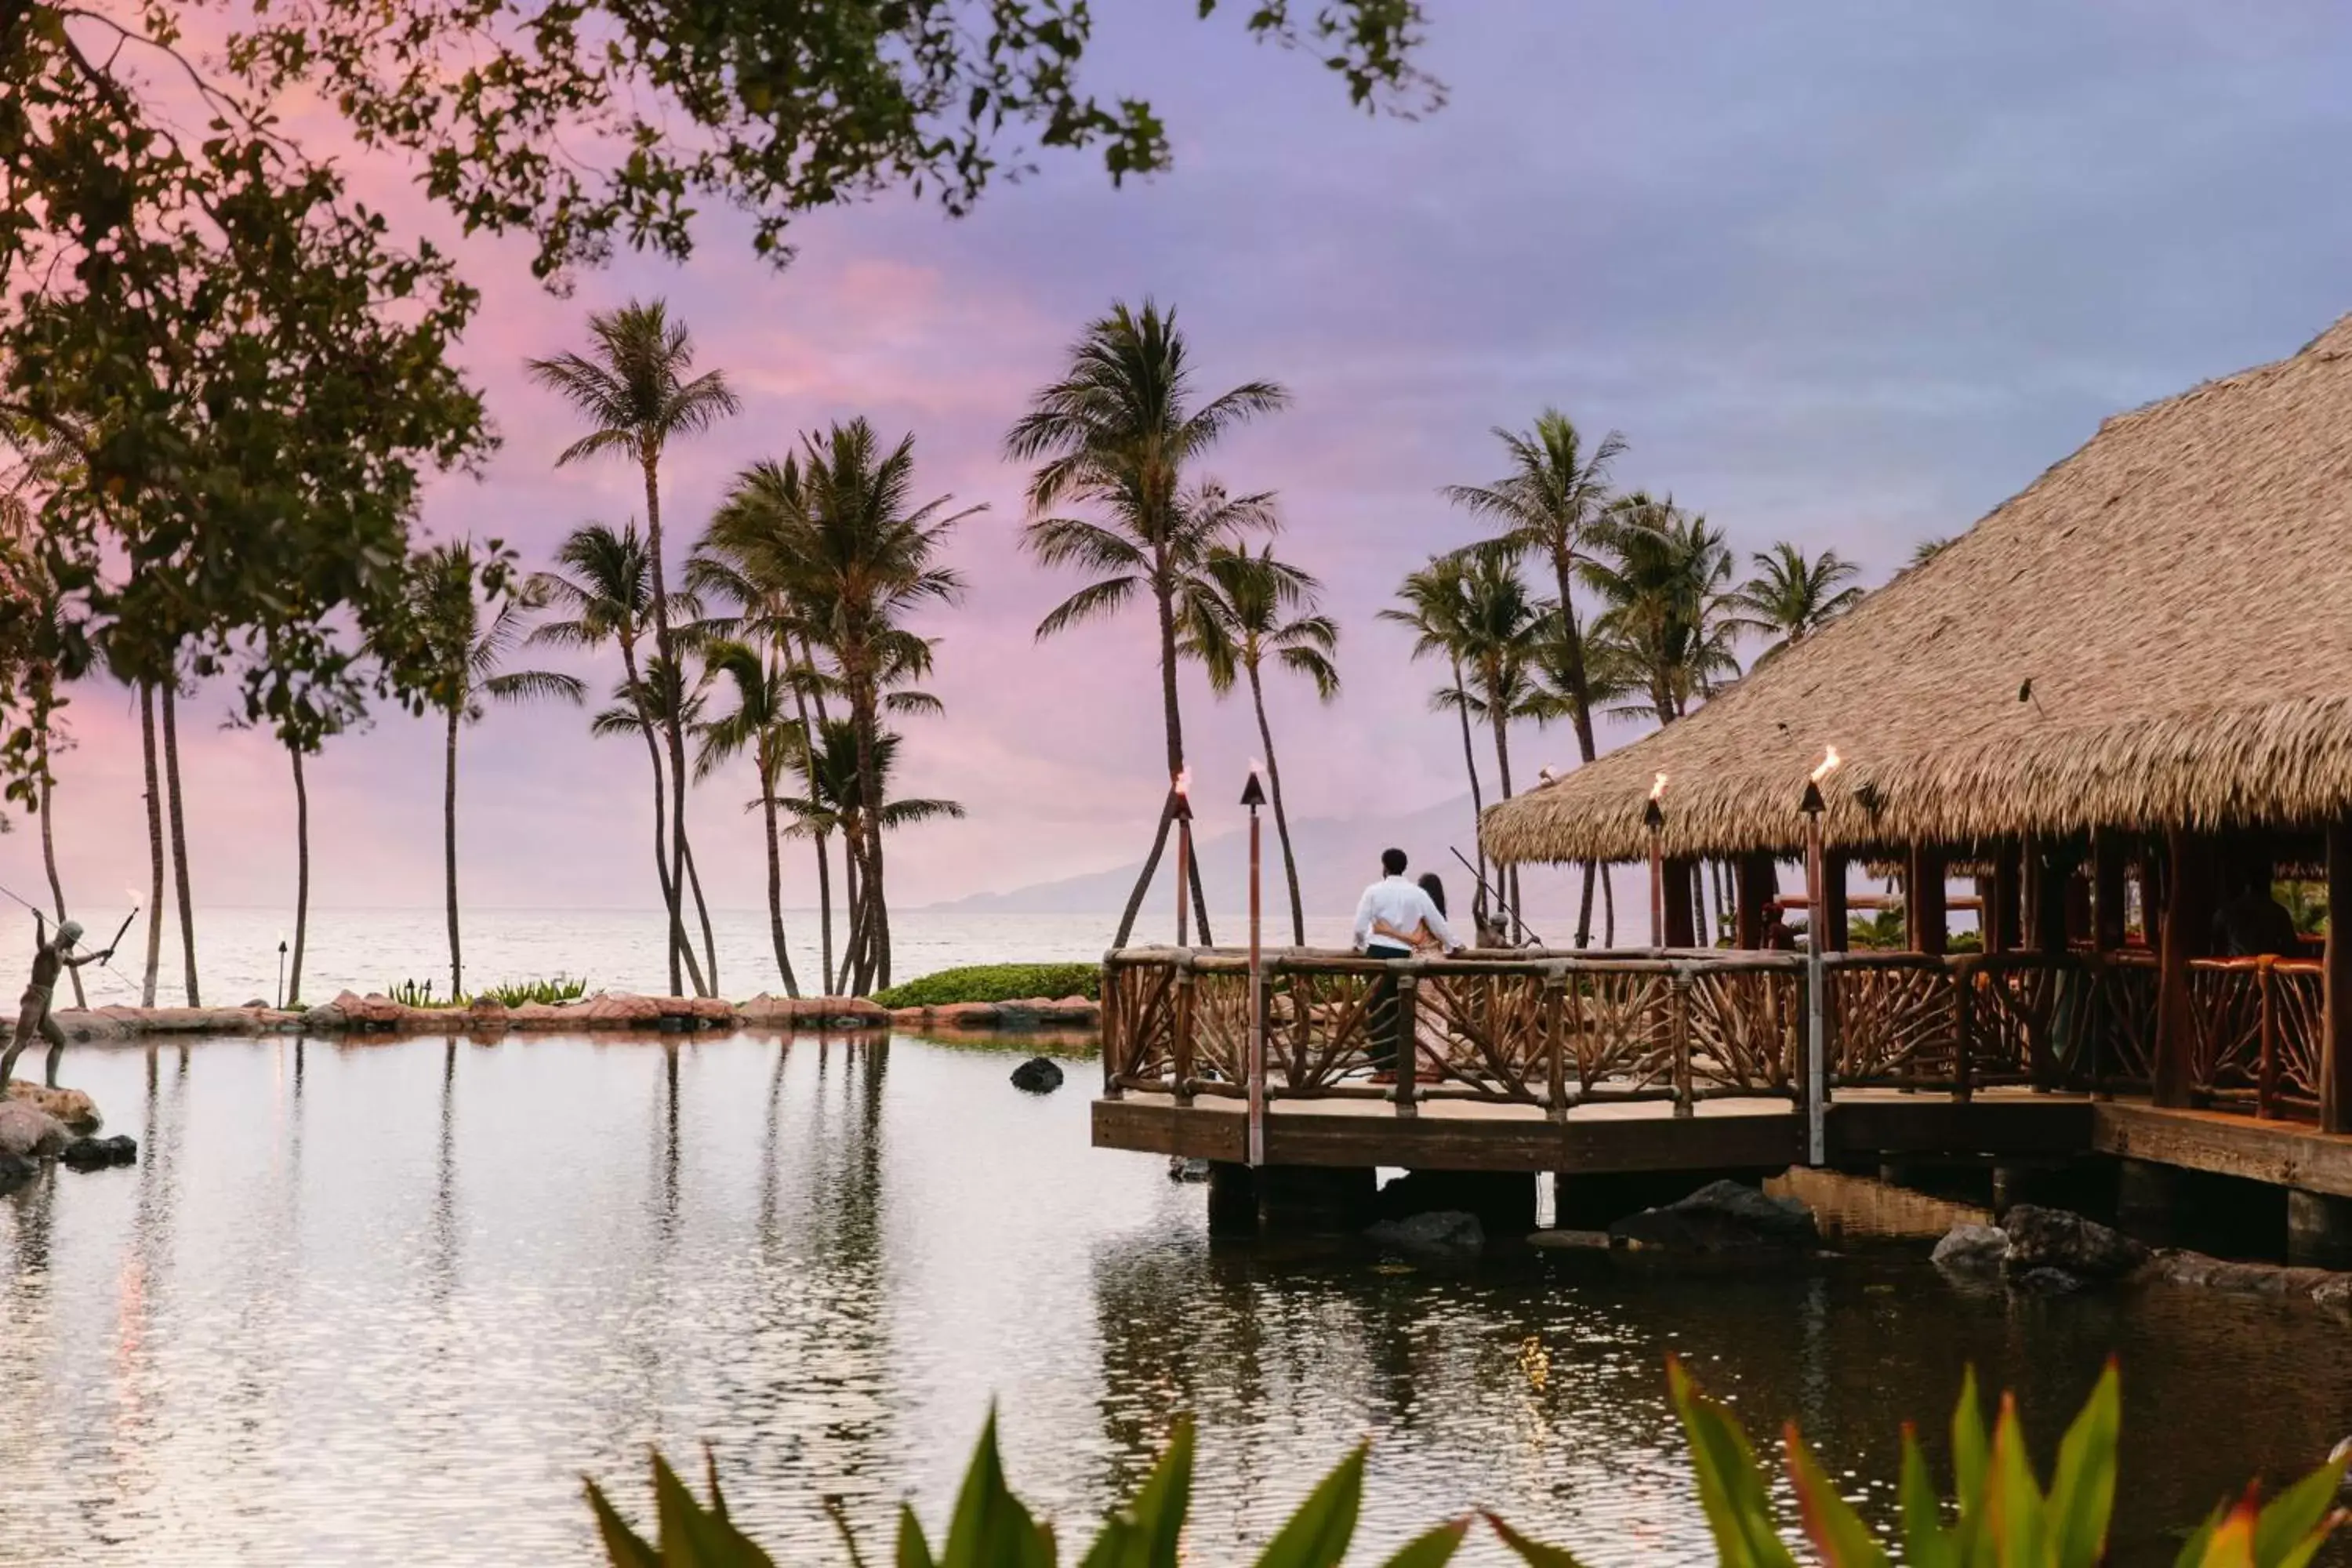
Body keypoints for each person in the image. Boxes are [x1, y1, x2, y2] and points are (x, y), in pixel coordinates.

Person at [1352, 849, 1461, 1081]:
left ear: (1384, 866)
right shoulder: (1417, 893)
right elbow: (1438, 923)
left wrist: (1360, 946)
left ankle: (1385, 1069)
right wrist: (1453, 945)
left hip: (1379, 953)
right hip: (1407, 956)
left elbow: (1360, 926)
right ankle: (1405, 1064)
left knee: (1379, 1009)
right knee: (1401, 1010)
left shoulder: (1373, 891)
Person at [1, 916, 111, 1090]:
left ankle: (51, 1083)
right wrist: (40, 922)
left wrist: (99, 954)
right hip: (35, 997)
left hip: (45, 1000)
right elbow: (40, 943)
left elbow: (75, 962)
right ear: (67, 936)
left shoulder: (61, 954)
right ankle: (1, 1088)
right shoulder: (49, 949)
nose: (76, 942)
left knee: (59, 1041)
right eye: (75, 938)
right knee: (20, 1043)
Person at [2211, 870, 2302, 958]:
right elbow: (2291, 949)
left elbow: (2217, 950)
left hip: (2233, 971)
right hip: (2269, 970)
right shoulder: (2278, 912)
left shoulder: (2225, 913)